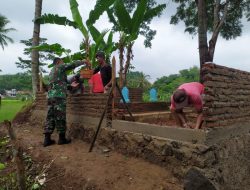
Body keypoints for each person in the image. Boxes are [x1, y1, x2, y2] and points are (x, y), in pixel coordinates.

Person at [43, 57, 89, 147]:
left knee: (50, 117)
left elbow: (59, 84)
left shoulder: (52, 72)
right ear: (59, 62)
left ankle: (47, 139)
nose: (63, 63)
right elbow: (72, 65)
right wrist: (83, 61)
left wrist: (70, 86)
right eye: (62, 62)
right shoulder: (59, 67)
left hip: (50, 96)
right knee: (60, 116)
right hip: (58, 97)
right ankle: (62, 138)